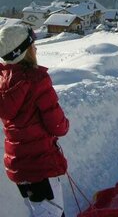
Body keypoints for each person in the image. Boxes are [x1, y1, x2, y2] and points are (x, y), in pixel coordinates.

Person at [0, 24, 69, 217]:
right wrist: (64, 125)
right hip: (40, 164)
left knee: (38, 211)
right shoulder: (37, 80)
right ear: (25, 51)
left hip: (18, 164)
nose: (36, 48)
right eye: (33, 45)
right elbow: (57, 125)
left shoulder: (4, 79)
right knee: (53, 213)